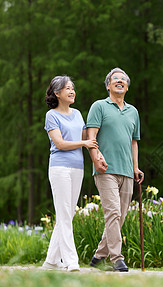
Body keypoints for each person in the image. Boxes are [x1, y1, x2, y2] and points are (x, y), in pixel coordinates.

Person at [86, 67, 144, 272]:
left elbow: (134, 142)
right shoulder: (99, 106)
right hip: (105, 169)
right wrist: (95, 159)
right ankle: (116, 258)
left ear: (127, 87)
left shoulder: (133, 112)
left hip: (127, 171)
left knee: (120, 216)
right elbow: (91, 137)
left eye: (123, 80)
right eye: (115, 79)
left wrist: (136, 168)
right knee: (112, 212)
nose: (119, 81)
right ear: (108, 85)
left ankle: (98, 256)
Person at [42, 75, 99, 272]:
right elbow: (60, 144)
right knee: (65, 214)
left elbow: (87, 138)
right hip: (59, 168)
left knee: (67, 215)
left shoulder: (77, 114)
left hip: (77, 168)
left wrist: (95, 149)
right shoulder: (52, 116)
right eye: (67, 88)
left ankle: (51, 262)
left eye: (73, 87)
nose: (72, 91)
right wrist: (83, 143)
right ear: (57, 93)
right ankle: (71, 262)